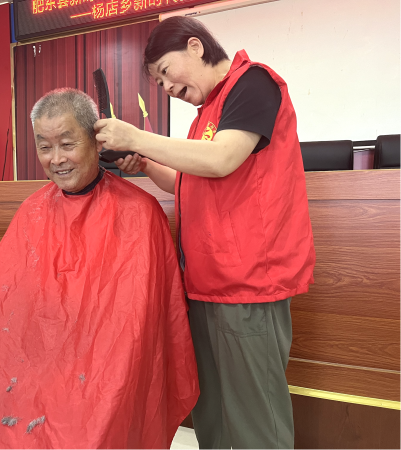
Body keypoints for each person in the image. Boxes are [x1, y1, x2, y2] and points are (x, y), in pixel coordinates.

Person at [0, 88, 199, 450]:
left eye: (67, 144)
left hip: (103, 373)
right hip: (33, 368)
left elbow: (139, 329)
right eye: (44, 147)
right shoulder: (32, 211)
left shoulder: (140, 212)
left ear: (97, 141)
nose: (57, 159)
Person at [95, 16, 316, 450]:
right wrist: (145, 163)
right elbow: (186, 184)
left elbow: (221, 160)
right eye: (159, 83)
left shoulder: (253, 83)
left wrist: (137, 136)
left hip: (248, 286)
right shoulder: (206, 116)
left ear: (195, 46)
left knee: (255, 421)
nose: (166, 88)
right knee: (211, 413)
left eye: (165, 73)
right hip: (204, 284)